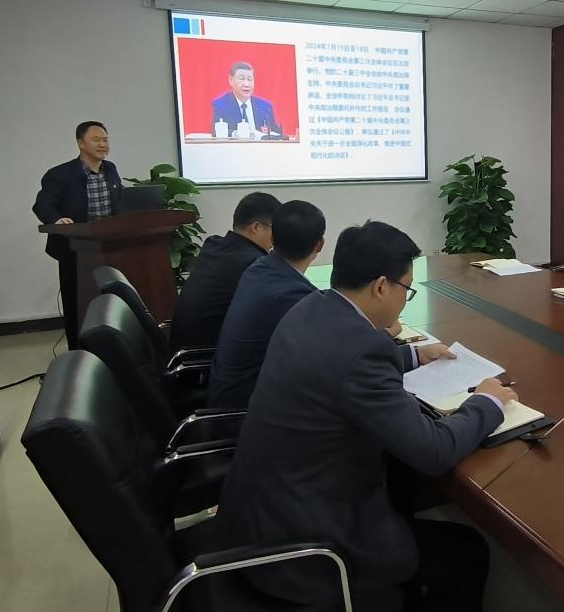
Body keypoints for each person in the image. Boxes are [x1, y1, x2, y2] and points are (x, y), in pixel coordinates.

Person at [217, 221, 515, 611]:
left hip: (258, 513)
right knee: (467, 551)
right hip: (305, 542)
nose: (405, 299)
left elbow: (337, 366)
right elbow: (434, 451)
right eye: (406, 289)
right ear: (381, 286)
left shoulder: (310, 307)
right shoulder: (362, 351)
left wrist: (413, 354)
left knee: (401, 483)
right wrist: (488, 402)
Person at [208, 200, 326, 409]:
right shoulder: (296, 296)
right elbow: (332, 355)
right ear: (320, 244)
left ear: (272, 238)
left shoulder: (258, 268)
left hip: (225, 391)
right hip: (243, 410)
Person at [32, 121, 121, 348]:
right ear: (81, 143)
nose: (103, 145)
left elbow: (118, 203)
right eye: (96, 140)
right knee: (77, 303)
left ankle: (113, 346)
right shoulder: (60, 174)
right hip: (76, 250)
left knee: (110, 299)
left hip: (110, 246)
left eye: (105, 140)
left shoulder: (110, 170)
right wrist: (57, 220)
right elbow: (43, 205)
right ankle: (79, 349)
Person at [169, 192, 280, 350]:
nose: (276, 239)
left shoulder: (215, 246)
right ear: (256, 227)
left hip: (183, 348)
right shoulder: (251, 263)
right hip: (204, 357)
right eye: (275, 230)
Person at [211, 62, 282, 137]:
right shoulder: (220, 105)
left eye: (250, 79)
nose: (246, 84)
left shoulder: (265, 107)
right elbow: (216, 131)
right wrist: (236, 134)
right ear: (231, 80)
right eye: (241, 79)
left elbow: (276, 132)